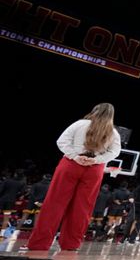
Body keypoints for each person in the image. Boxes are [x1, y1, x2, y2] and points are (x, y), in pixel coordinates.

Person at [26, 103, 121, 251]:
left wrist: (75, 156)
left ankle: (39, 244)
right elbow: (115, 152)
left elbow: (61, 141)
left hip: (71, 165)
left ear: (94, 111)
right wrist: (95, 160)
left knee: (54, 203)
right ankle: (71, 244)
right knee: (83, 208)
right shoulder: (113, 133)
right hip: (94, 169)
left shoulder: (80, 124)